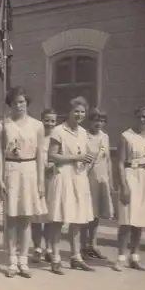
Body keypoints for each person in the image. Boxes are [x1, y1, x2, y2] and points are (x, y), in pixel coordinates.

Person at [0, 87, 47, 278]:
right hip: (11, 169)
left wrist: (41, 181)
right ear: (10, 104)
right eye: (16, 102)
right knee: (11, 218)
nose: (19, 105)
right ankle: (11, 260)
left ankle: (23, 259)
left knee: (26, 218)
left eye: (22, 102)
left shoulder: (37, 126)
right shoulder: (3, 125)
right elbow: (0, 153)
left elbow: (41, 154)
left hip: (30, 169)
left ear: (27, 103)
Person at [46, 96, 96, 275]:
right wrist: (76, 158)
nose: (79, 114)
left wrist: (86, 159)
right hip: (63, 177)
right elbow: (52, 156)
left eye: (82, 111)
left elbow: (82, 154)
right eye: (76, 111)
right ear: (68, 112)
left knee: (77, 219)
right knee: (59, 219)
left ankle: (76, 256)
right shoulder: (58, 131)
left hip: (78, 177)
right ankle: (56, 257)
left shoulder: (83, 133)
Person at [113, 106, 145, 272]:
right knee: (127, 220)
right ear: (135, 118)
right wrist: (123, 186)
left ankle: (134, 256)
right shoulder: (126, 136)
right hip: (131, 176)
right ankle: (120, 257)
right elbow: (119, 162)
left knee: (140, 220)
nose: (142, 120)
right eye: (139, 117)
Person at [80, 108, 114, 260]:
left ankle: (92, 244)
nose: (98, 123)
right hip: (87, 177)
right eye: (96, 120)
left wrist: (111, 181)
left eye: (101, 121)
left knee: (97, 214)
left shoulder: (105, 137)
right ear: (90, 121)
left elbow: (108, 160)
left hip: (102, 178)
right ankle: (82, 246)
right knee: (86, 212)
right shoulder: (84, 135)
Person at [30, 108, 57, 264]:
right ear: (42, 120)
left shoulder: (56, 137)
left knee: (49, 217)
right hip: (37, 178)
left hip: (52, 179)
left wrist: (52, 166)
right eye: (47, 120)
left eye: (52, 121)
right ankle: (37, 248)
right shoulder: (37, 137)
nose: (49, 124)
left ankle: (49, 248)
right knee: (36, 217)